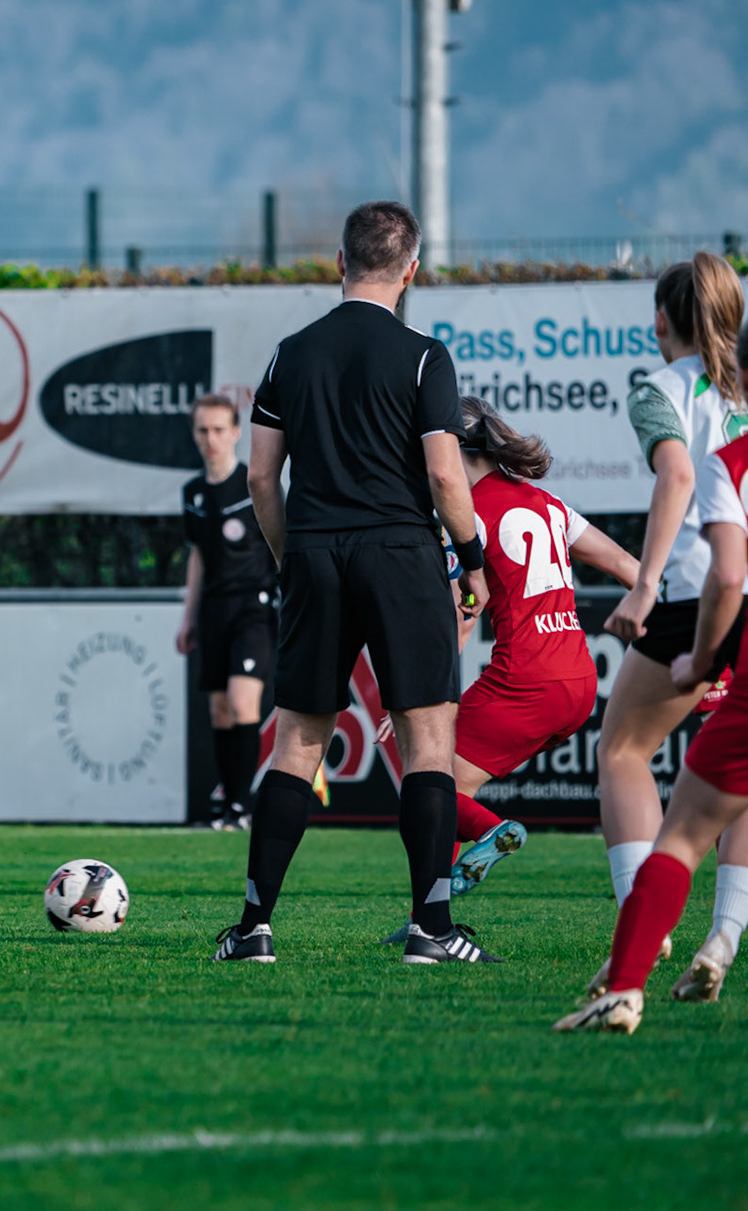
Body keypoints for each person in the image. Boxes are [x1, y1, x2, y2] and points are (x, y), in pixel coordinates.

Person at [209, 199, 496, 966]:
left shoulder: (289, 353)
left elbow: (261, 476)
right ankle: (431, 931)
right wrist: (473, 560)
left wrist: (288, 556)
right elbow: (444, 472)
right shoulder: (426, 356)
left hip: (316, 555)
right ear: (411, 270)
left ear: (339, 263)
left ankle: (254, 928)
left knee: (298, 742)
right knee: (427, 742)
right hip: (403, 556)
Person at [558, 310, 748, 1033]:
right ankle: (723, 938)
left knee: (683, 834)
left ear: (746, 382)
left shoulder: (737, 461)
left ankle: (623, 988)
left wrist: (698, 660)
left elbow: (724, 582)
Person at [378, 398, 640, 943]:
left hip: (526, 678)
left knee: (425, 784)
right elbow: (626, 567)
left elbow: (461, 612)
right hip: (580, 680)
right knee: (448, 783)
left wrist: (420, 693)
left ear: (453, 448)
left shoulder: (465, 514)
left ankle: (488, 840)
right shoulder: (547, 502)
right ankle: (425, 919)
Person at [590, 252, 748, 991]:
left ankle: (647, 923)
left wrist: (643, 585)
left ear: (661, 320)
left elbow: (675, 475)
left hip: (702, 589)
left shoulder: (661, 388)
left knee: (624, 750)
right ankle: (722, 939)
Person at [177, 392, 276, 830]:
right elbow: (197, 554)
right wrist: (188, 617)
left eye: (219, 429)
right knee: (218, 709)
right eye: (203, 430)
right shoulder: (193, 492)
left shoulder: (254, 483)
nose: (211, 438)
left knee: (242, 699)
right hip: (213, 610)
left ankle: (242, 805)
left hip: (253, 605)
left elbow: (279, 541)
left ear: (236, 433)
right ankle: (227, 802)